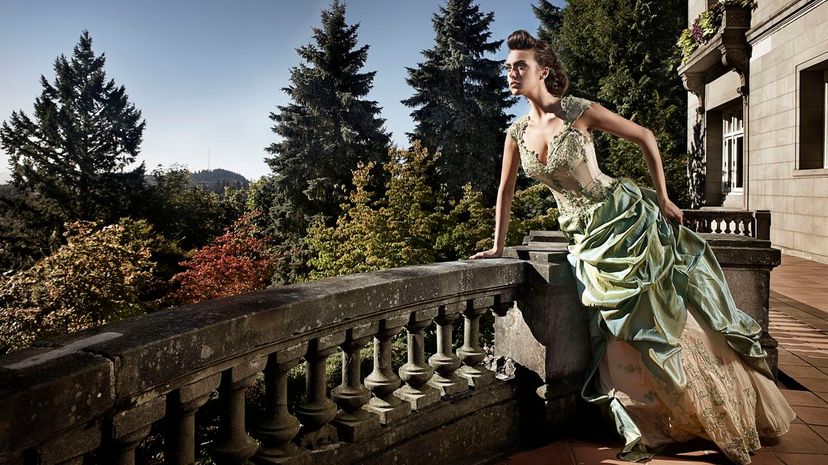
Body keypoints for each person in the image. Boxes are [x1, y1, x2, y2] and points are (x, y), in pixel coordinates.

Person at [470, 29, 795, 464]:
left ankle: (718, 407)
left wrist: (663, 197)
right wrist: (497, 247)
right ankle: (658, 418)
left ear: (542, 71)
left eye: (519, 66)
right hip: (586, 239)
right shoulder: (515, 133)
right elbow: (505, 191)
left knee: (669, 321)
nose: (510, 73)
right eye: (508, 67)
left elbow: (645, 136)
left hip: (625, 220)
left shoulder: (579, 111)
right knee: (621, 332)